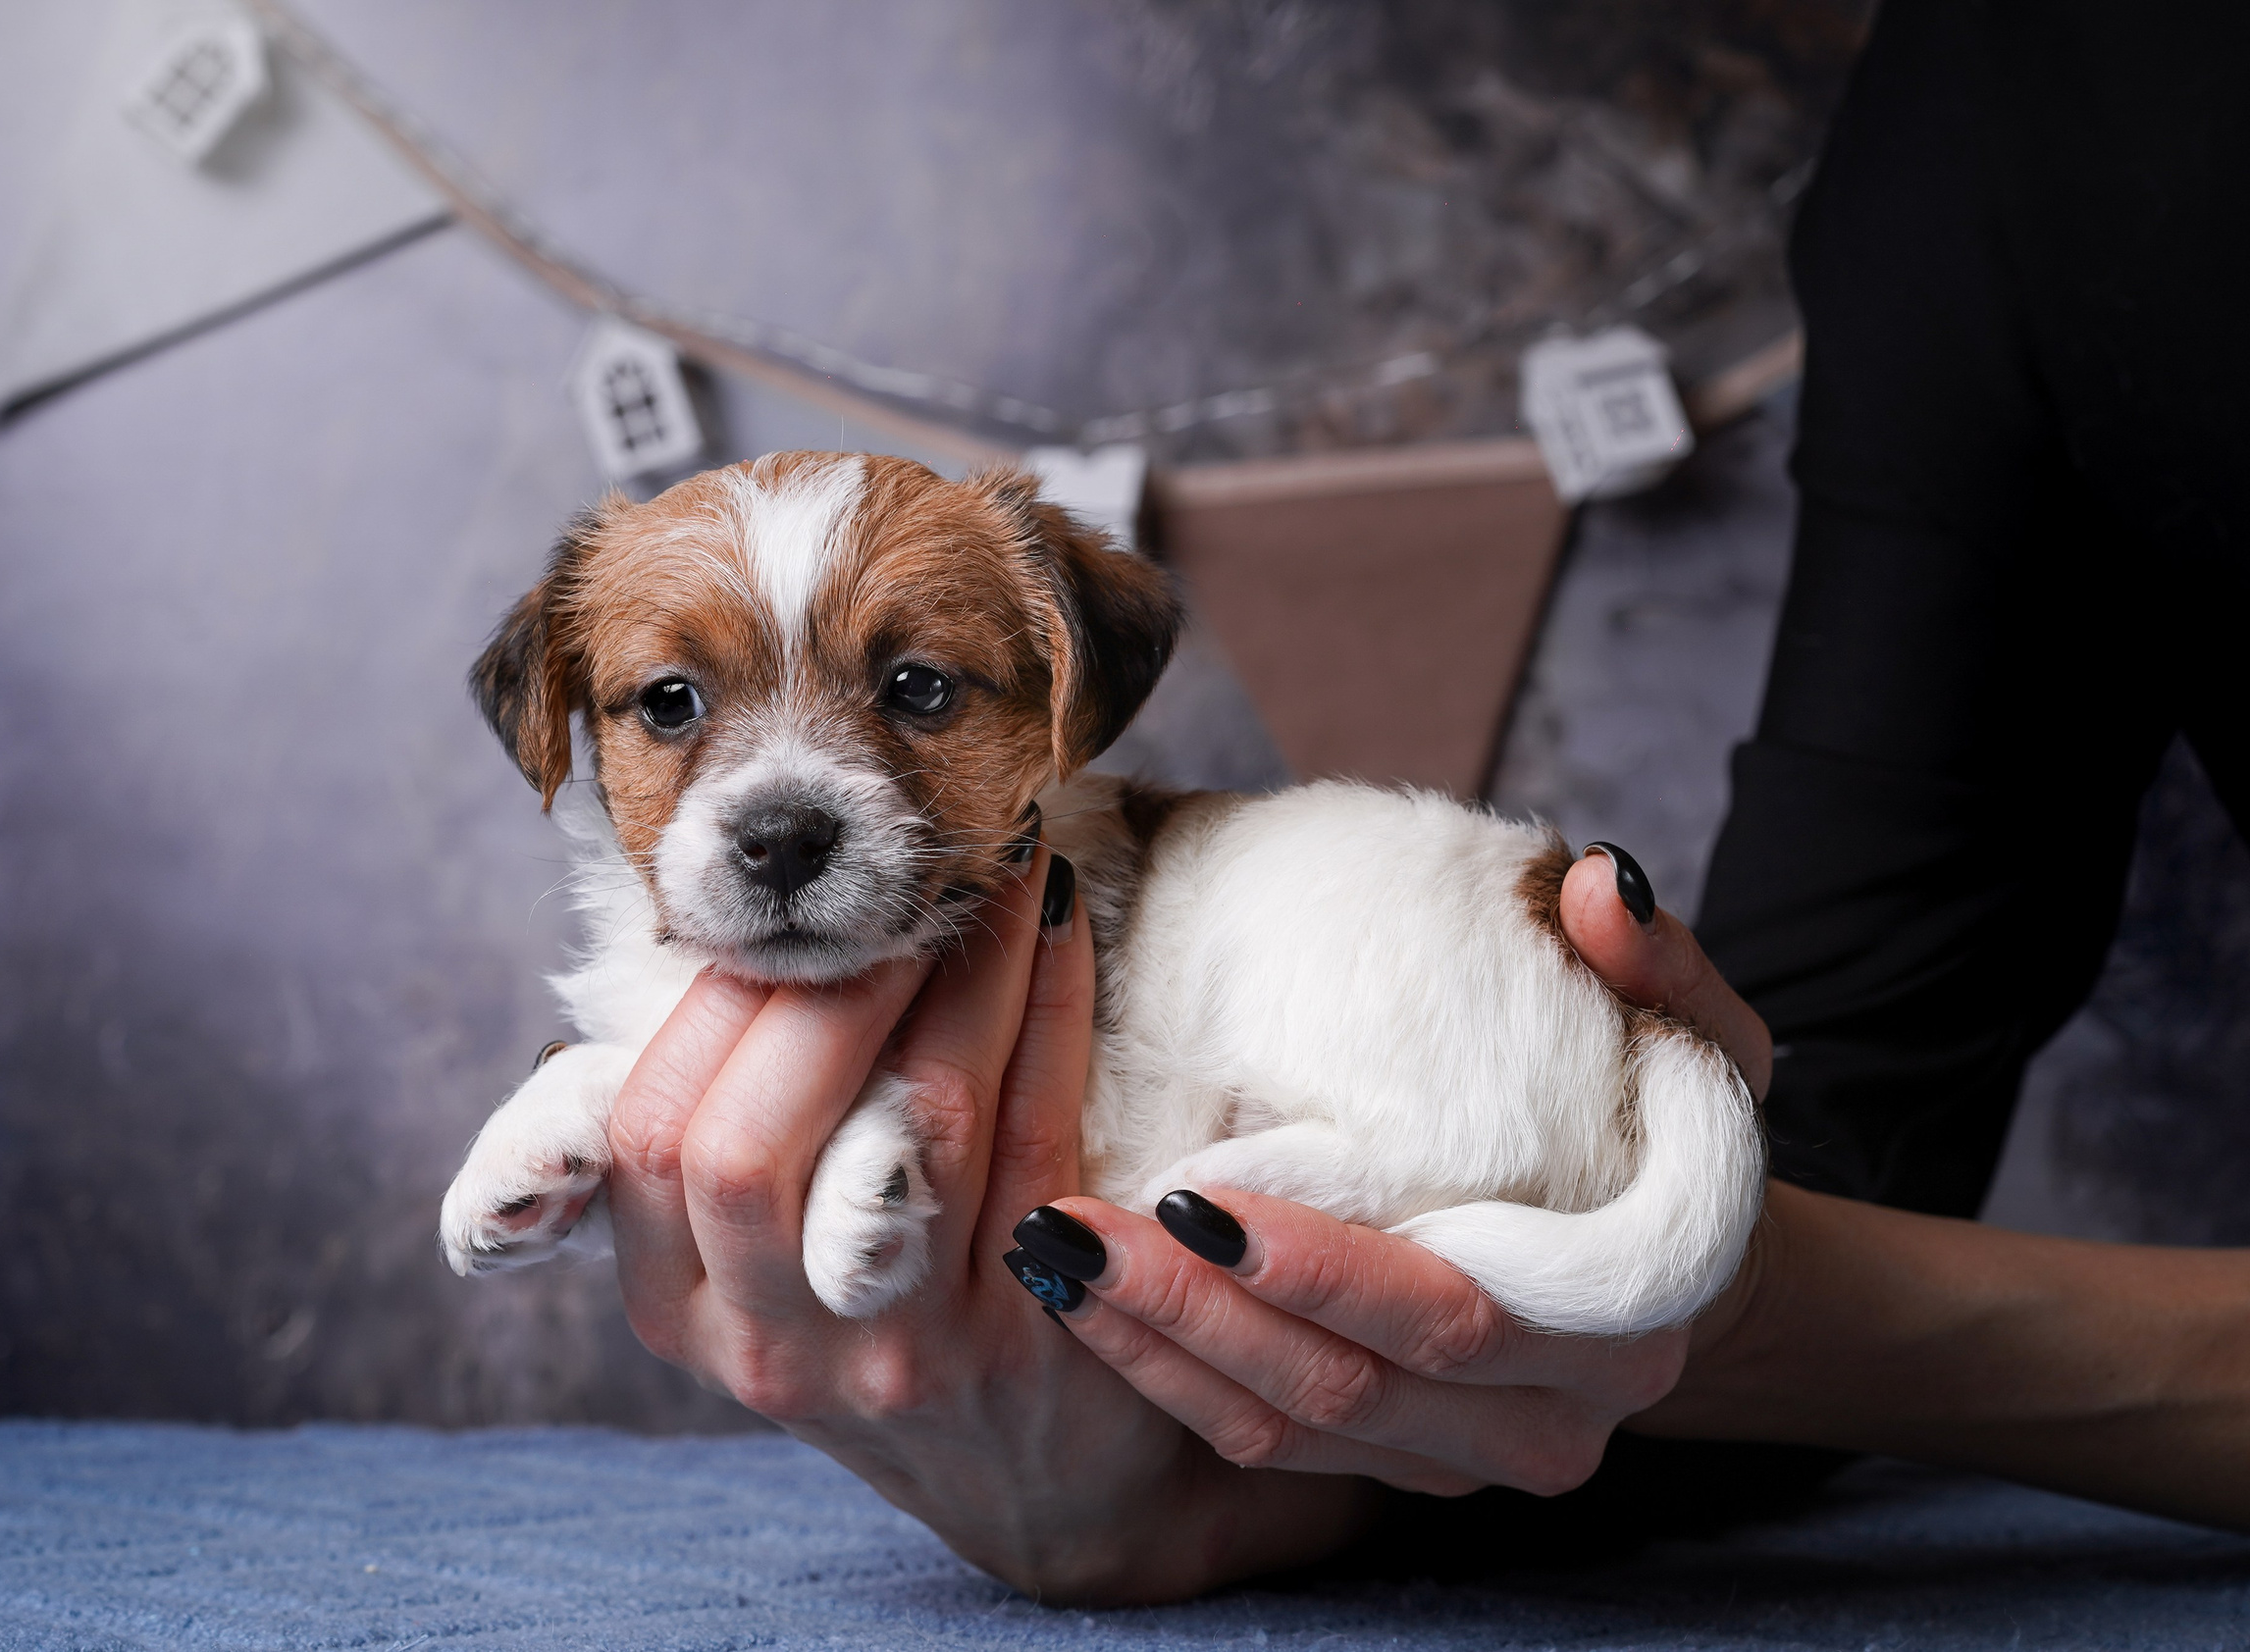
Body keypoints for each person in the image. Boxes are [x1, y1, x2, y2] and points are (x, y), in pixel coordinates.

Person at [587, 0, 2250, 1604]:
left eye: (924, 690)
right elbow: (1845, 1116)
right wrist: (1310, 1469)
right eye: (672, 707)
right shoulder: (2003, 101)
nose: (786, 786)